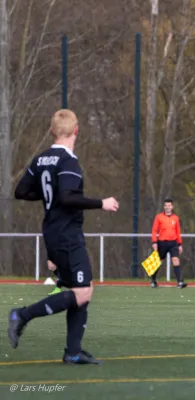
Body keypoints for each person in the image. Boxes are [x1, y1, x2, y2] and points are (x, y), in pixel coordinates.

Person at [9, 109, 119, 364]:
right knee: (82, 294)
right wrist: (101, 203)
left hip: (53, 231)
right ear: (77, 130)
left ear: (51, 131)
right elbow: (68, 197)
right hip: (67, 235)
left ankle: (73, 352)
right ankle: (22, 315)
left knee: (83, 289)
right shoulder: (68, 161)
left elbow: (22, 191)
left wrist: (50, 195)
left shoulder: (41, 160)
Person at [151, 199, 187, 288]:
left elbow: (178, 231)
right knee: (157, 262)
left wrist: (179, 244)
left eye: (169, 205)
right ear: (164, 207)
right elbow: (154, 230)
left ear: (172, 207)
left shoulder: (175, 218)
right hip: (162, 242)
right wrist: (154, 242)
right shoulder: (159, 217)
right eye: (166, 205)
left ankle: (180, 282)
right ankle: (153, 280)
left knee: (175, 260)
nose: (168, 207)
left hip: (173, 243)